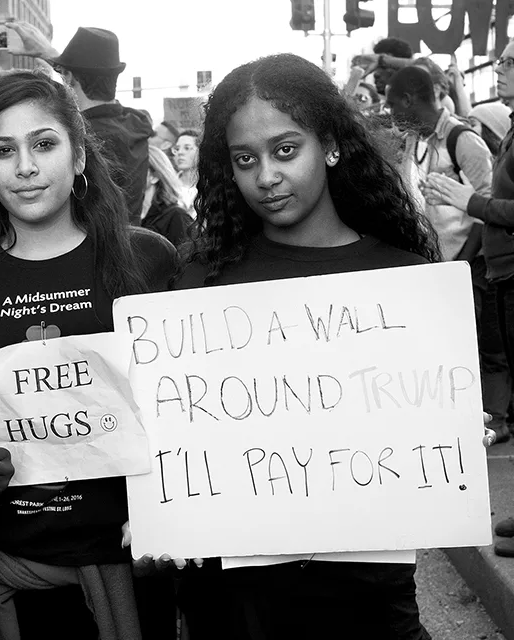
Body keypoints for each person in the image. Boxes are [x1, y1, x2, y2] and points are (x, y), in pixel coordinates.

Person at [176, 53, 440, 640]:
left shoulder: (401, 277)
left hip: (370, 600)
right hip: (236, 603)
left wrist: (448, 429)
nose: (265, 176)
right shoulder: (202, 284)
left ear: (331, 145)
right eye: (245, 160)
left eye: (285, 150)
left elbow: (416, 424)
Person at [0, 70, 178, 639]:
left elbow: (186, 411)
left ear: (79, 156)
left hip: (135, 576)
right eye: (3, 150)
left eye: (44, 144)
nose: (26, 167)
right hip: (11, 579)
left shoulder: (149, 261)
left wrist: (169, 505)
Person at [421, 40, 514, 559]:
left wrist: (470, 202)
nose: (499, 70)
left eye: (509, 62)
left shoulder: (468, 137)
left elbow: (498, 203)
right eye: (498, 61)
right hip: (500, 270)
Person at [7, 22, 152, 224]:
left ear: (68, 78)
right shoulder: (134, 125)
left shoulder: (87, 137)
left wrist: (50, 55)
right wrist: (50, 54)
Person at [385, 66, 493, 262]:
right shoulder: (413, 139)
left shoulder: (463, 139)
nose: (391, 113)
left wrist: (463, 264)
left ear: (408, 100)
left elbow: (486, 209)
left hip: (465, 267)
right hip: (432, 263)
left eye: (392, 105)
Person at [141, 145, 192, 247]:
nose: (132, 173)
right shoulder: (128, 213)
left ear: (154, 177)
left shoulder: (176, 216)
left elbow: (187, 259)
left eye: (138, 168)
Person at [173, 130, 198, 211]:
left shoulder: (211, 188)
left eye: (187, 148)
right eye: (177, 148)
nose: (180, 152)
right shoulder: (168, 186)